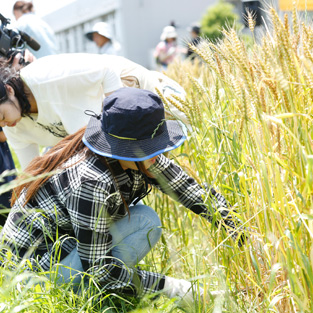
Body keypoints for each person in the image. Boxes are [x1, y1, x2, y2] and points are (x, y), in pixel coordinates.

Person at [1, 88, 245, 307]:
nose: (161, 152)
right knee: (141, 226)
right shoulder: (91, 181)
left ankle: (111, 290)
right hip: (31, 277)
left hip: (67, 251)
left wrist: (240, 231)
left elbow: (188, 190)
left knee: (146, 220)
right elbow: (98, 269)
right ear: (124, 147)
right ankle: (90, 297)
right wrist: (175, 289)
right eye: (152, 146)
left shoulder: (136, 155)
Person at [0, 53, 188, 171]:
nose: (4, 125)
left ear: (9, 90)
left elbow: (107, 71)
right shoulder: (14, 126)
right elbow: (31, 172)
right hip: (108, 145)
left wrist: (117, 115)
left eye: (1, 116)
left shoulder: (46, 77)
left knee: (163, 170)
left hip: (139, 104)